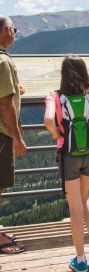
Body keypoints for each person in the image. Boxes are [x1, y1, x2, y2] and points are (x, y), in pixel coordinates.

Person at [44, 55, 89, 272]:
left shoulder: (54, 96)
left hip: (68, 154)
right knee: (84, 199)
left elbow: (47, 120)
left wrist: (57, 134)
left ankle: (80, 260)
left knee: (74, 208)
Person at [0, 16, 27, 255]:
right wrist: (17, 137)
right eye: (14, 29)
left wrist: (13, 87)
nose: (15, 33)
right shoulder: (4, 62)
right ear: (7, 30)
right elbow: (5, 104)